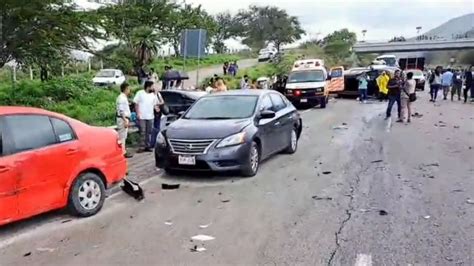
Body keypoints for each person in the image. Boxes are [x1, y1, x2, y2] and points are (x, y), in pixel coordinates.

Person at [134, 81, 159, 152]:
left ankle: (148, 146)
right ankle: (142, 147)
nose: (153, 88)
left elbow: (154, 104)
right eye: (152, 86)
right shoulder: (140, 93)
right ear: (148, 86)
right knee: (143, 131)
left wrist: (156, 108)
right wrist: (137, 113)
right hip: (142, 115)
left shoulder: (152, 95)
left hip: (150, 116)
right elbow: (136, 103)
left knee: (149, 132)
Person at [116, 83, 133, 158]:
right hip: (123, 119)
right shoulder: (121, 98)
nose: (129, 90)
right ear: (125, 89)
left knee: (124, 136)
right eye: (128, 89)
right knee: (122, 136)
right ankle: (122, 152)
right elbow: (121, 110)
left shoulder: (123, 97)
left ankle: (123, 151)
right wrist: (125, 120)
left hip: (124, 118)